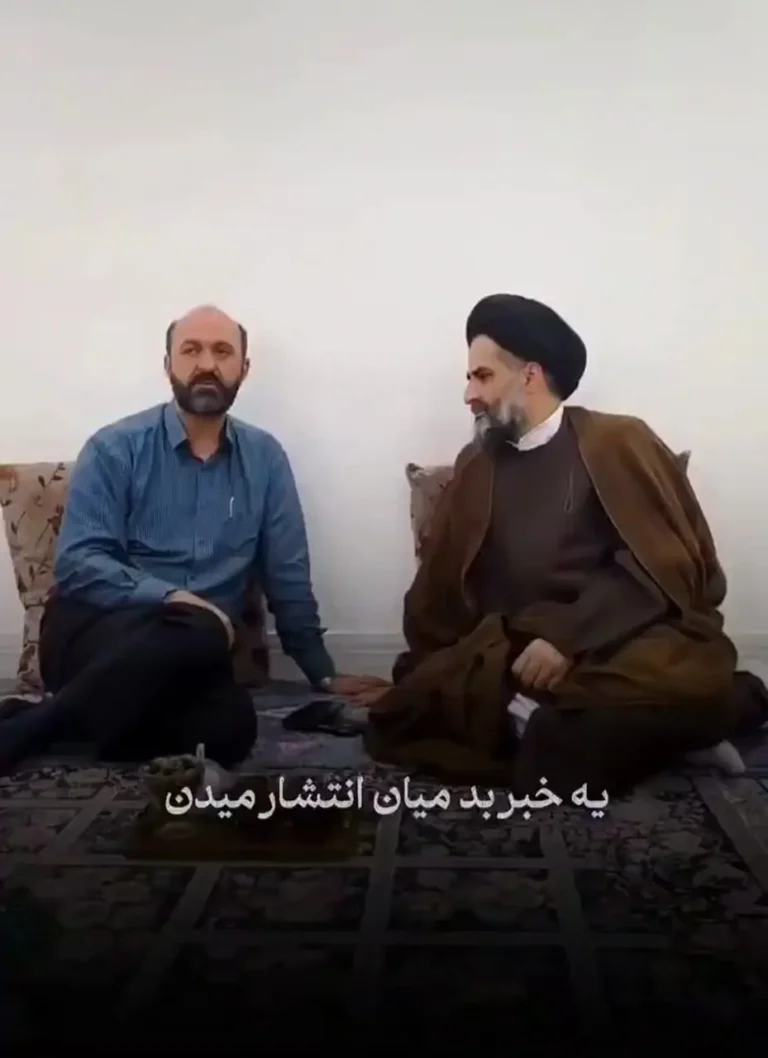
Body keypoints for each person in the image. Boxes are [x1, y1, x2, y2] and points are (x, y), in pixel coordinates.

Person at [363, 293, 768, 798]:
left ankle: (740, 699)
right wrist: (460, 660)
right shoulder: (476, 463)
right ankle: (678, 736)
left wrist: (567, 637)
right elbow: (442, 589)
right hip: (515, 652)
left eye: (482, 376)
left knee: (596, 724)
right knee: (413, 710)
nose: (469, 394)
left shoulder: (618, 440)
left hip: (622, 637)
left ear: (530, 375)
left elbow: (664, 566)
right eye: (469, 378)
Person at [0, 305, 384, 774]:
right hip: (95, 631)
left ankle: (56, 720)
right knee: (198, 627)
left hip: (195, 656)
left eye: (222, 352)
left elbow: (287, 575)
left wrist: (322, 672)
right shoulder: (115, 448)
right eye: (191, 351)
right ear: (168, 366)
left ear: (243, 368)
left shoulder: (265, 459)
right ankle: (25, 734)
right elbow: (79, 563)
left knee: (233, 729)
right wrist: (175, 599)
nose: (207, 364)